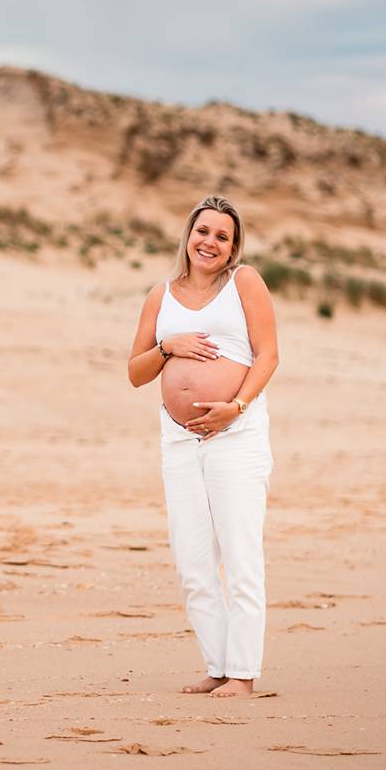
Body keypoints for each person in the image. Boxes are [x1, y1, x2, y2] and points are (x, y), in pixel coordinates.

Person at [125, 195, 279, 698]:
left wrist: (235, 406)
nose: (209, 242)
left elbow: (268, 354)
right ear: (187, 235)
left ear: (233, 247)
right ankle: (217, 665)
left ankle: (243, 674)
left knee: (240, 556)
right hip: (178, 441)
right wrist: (169, 347)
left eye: (222, 236)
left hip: (236, 432)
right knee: (192, 562)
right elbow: (135, 373)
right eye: (203, 231)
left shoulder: (244, 283)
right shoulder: (160, 295)